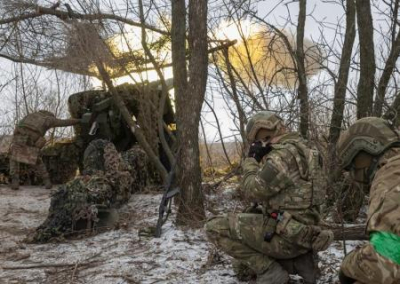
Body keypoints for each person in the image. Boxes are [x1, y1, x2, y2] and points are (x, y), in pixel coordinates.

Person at [205, 111, 333, 284]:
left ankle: (270, 271)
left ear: (263, 136)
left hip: (286, 239)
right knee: (253, 214)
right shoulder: (311, 151)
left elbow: (252, 190)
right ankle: (300, 263)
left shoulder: (282, 156)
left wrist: (252, 159)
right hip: (307, 235)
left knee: (213, 227)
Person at [336, 117, 400, 284]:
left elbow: (385, 263)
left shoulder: (391, 175)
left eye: (352, 167)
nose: (353, 175)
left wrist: (348, 265)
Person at [9, 110, 80, 190]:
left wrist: (16, 137)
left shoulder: (30, 115)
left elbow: (18, 126)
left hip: (19, 134)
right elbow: (64, 122)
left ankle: (15, 181)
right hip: (34, 137)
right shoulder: (49, 119)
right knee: (37, 160)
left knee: (14, 158)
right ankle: (47, 181)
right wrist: (79, 120)